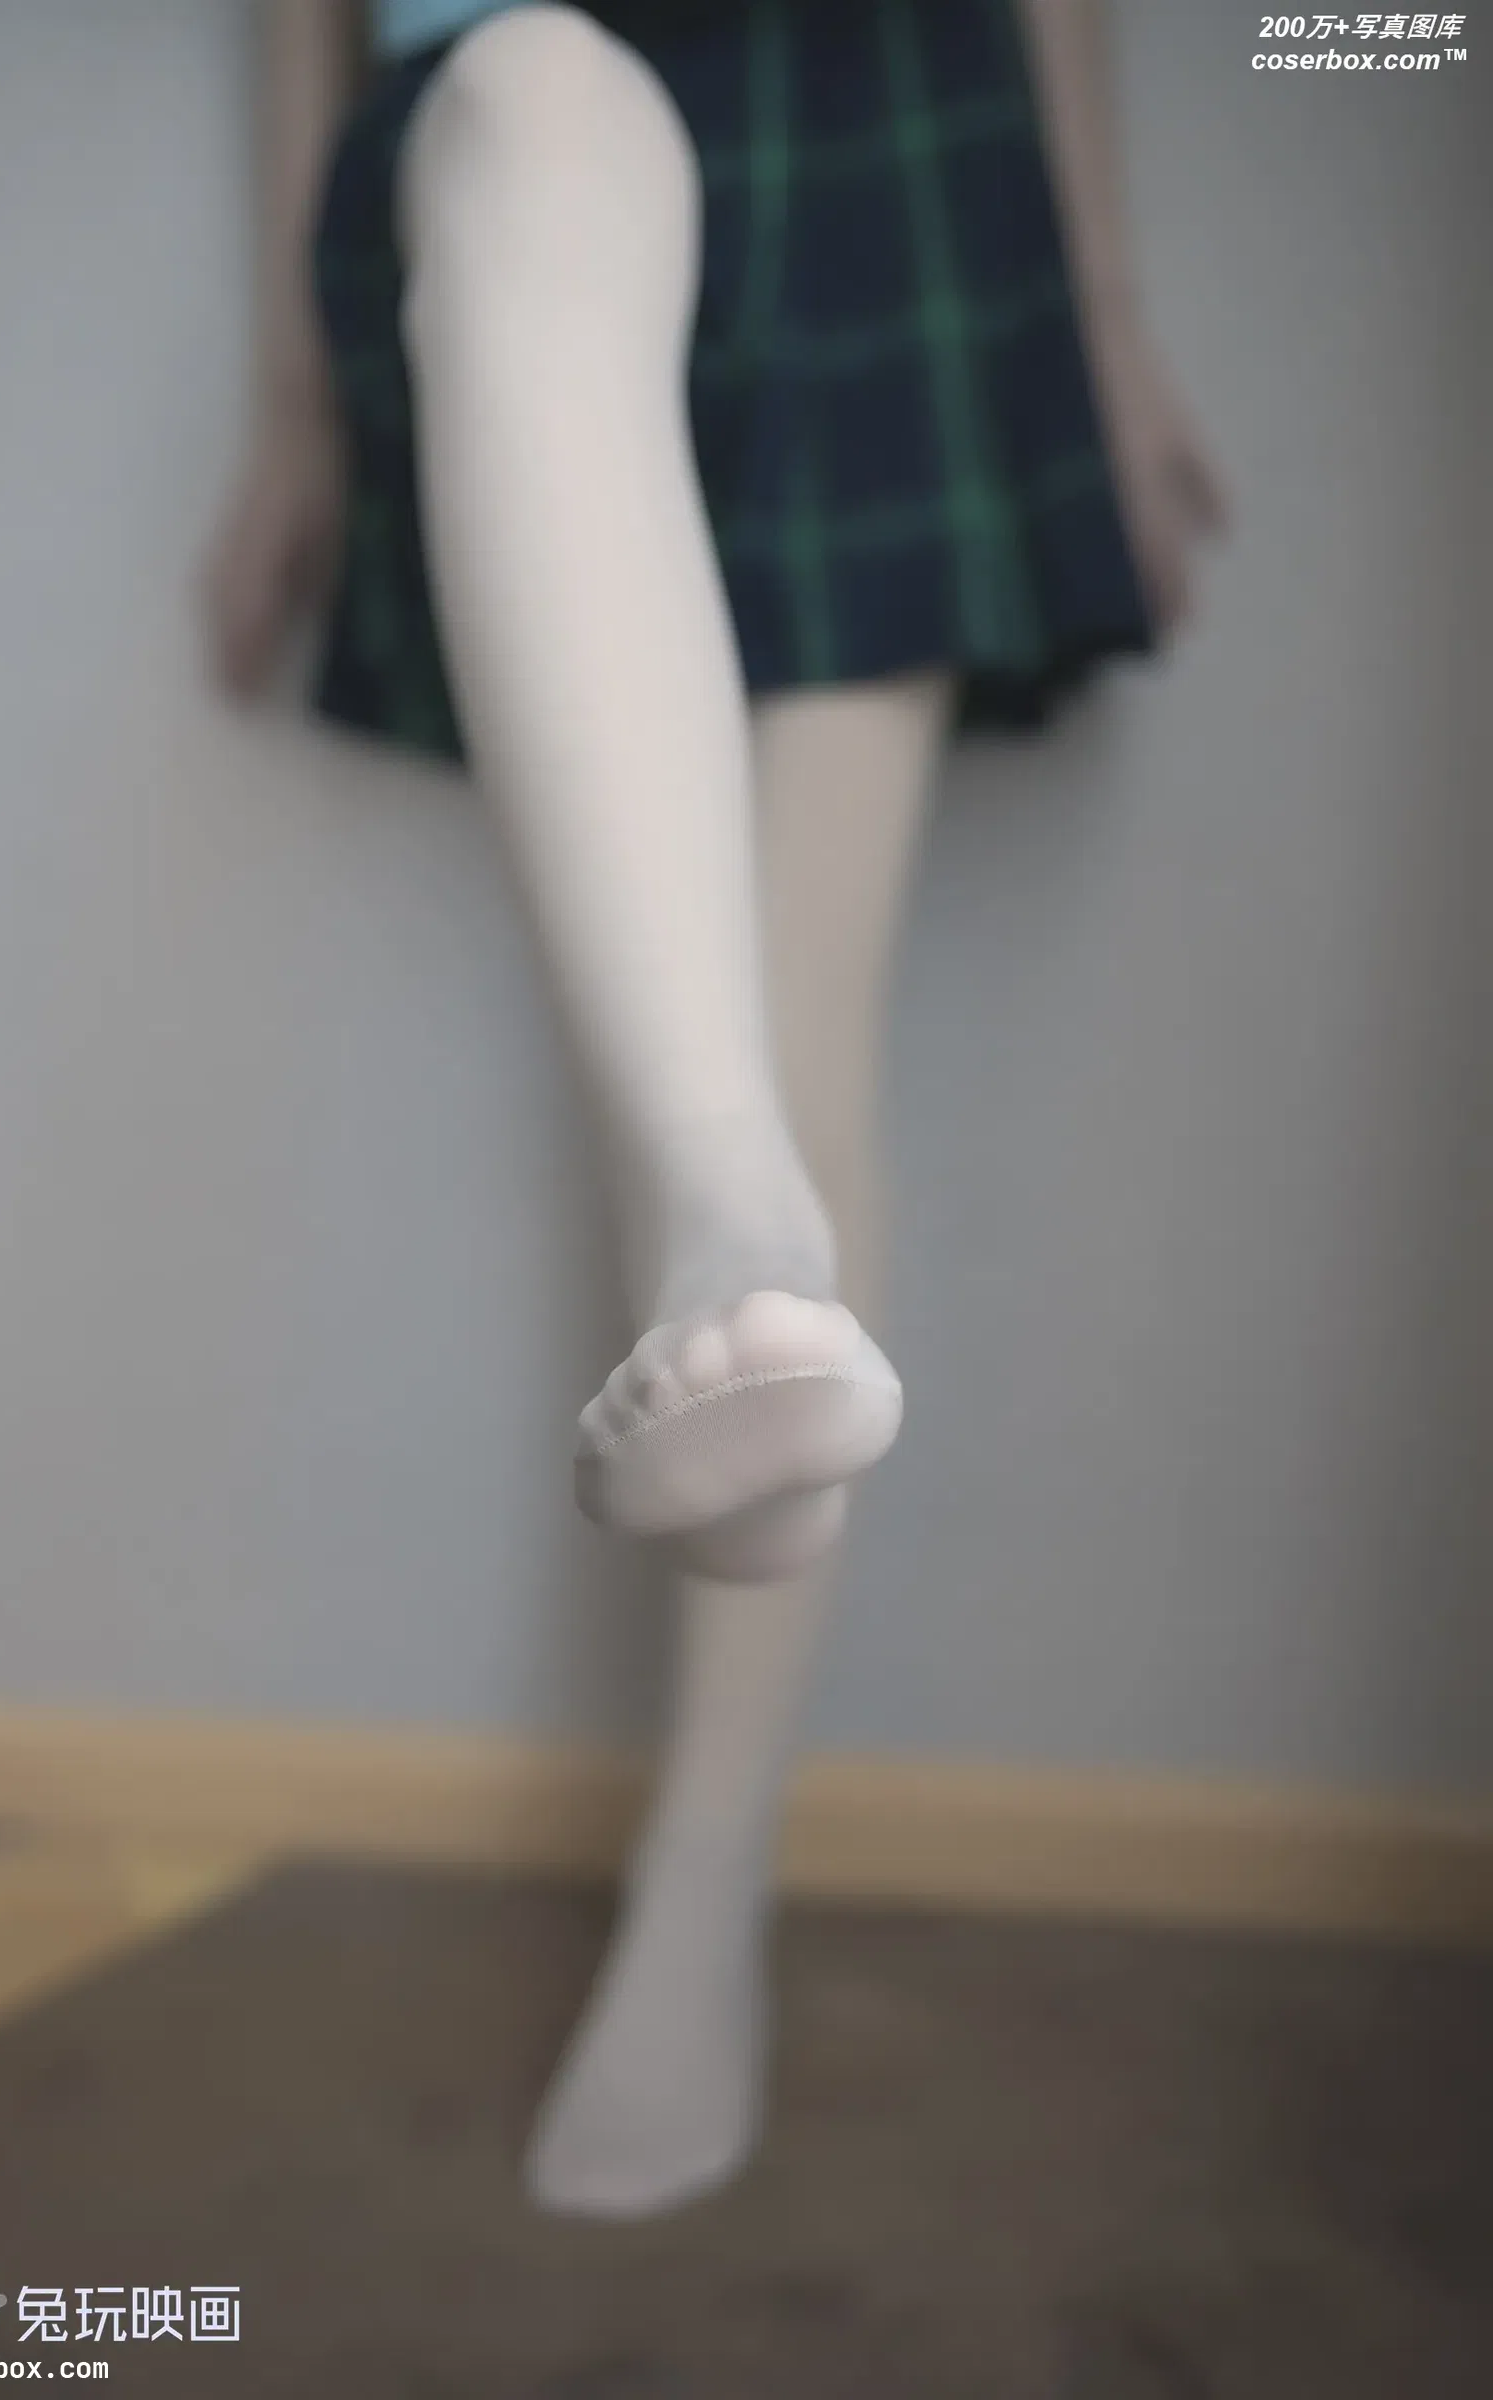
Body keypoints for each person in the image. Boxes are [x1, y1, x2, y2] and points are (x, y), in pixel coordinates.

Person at [204, 0, 1227, 2220]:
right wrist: (290, 394)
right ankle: (734, 1231)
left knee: (795, 1007)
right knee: (535, 102)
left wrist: (1107, 323)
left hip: (879, 105)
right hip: (507, 89)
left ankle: (702, 1868)